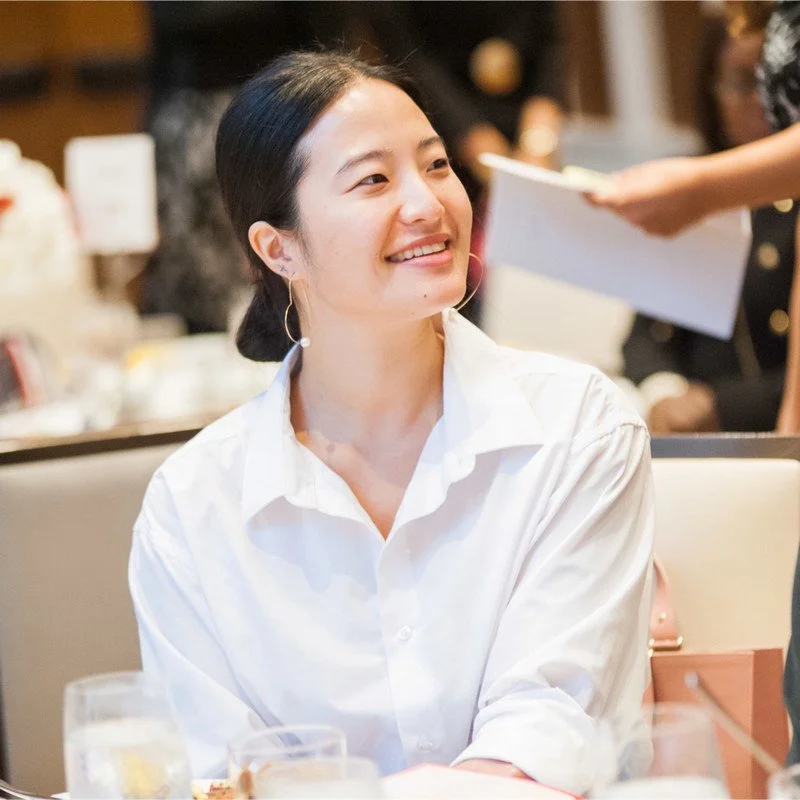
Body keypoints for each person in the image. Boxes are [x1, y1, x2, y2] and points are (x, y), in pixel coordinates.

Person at [128, 51, 654, 794]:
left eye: (437, 166)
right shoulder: (192, 507)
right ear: (277, 248)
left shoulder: (578, 430)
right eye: (373, 179)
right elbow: (215, 776)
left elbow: (550, 740)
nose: (429, 204)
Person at [587, 1, 800, 433]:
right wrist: (665, 393)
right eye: (744, 82)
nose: (763, 103)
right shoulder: (687, 183)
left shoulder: (699, 190)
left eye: (772, 81)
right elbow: (647, 335)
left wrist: (726, 407)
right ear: (711, 89)